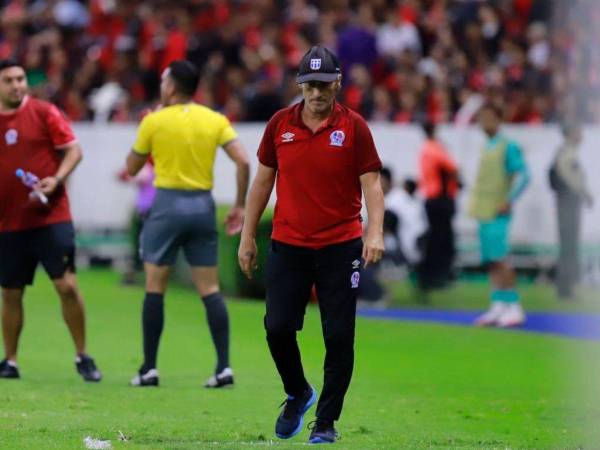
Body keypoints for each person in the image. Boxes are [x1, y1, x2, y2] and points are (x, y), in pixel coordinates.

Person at [238, 45, 384, 444]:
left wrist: (374, 232)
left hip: (341, 245)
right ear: (299, 85)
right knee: (277, 328)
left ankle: (326, 421)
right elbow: (263, 182)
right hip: (289, 244)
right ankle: (299, 391)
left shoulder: (354, 127)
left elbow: (372, 183)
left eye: (323, 85)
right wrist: (248, 235)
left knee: (338, 336)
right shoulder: (279, 125)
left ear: (337, 83)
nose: (316, 93)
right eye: (309, 85)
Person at [125, 60, 250, 388]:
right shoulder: (214, 119)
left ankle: (149, 369)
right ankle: (224, 368)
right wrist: (238, 204)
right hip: (201, 206)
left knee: (155, 287)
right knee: (210, 289)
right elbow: (243, 161)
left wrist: (150, 131)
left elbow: (132, 166)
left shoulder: (154, 120)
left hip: (166, 205)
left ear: (170, 86)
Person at [0, 59, 101, 381]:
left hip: (50, 216)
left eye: (20, 79)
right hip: (8, 222)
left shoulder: (44, 112)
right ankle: (11, 360)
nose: (17, 85)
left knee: (66, 285)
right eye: (9, 80)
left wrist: (55, 180)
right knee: (11, 292)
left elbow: (74, 150)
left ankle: (82, 355)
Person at [469, 105, 530, 327]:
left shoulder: (507, 146)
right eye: (482, 119)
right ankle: (498, 304)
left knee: (501, 258)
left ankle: (514, 306)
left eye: (488, 119)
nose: (485, 124)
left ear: (498, 120)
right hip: (484, 210)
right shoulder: (488, 146)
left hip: (497, 210)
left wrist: (509, 199)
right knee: (491, 260)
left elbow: (524, 174)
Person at [550, 123, 594, 300]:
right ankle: (565, 287)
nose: (581, 135)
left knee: (569, 245)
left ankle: (566, 286)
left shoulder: (567, 152)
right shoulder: (567, 153)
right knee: (568, 245)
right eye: (578, 131)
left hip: (569, 202)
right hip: (568, 202)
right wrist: (584, 193)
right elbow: (570, 178)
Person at [417, 122, 459, 290]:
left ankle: (428, 276)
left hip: (431, 199)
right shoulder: (435, 148)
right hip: (440, 199)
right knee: (442, 239)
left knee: (434, 238)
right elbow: (452, 168)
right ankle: (437, 276)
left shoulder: (424, 149)